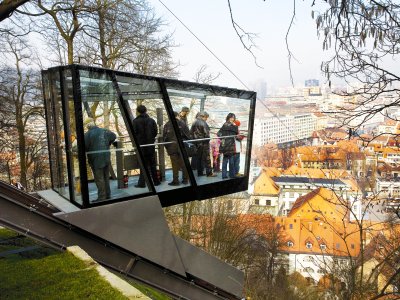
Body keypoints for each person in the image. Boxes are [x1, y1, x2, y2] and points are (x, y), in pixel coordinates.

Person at [84, 120, 117, 200]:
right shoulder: (104, 131)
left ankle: (102, 197)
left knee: (99, 179)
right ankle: (108, 195)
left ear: (87, 126)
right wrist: (108, 143)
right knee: (106, 177)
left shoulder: (87, 135)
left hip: (95, 159)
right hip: (106, 157)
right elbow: (114, 136)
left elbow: (84, 147)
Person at [132, 105, 161, 187]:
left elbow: (133, 134)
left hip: (141, 146)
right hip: (150, 145)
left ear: (138, 111)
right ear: (146, 110)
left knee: (143, 165)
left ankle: (142, 183)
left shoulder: (135, 121)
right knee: (152, 164)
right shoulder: (151, 120)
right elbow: (155, 132)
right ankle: (156, 181)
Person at [163, 111, 190, 186]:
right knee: (184, 164)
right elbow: (188, 136)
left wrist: (167, 147)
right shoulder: (182, 123)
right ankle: (185, 180)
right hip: (182, 147)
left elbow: (164, 138)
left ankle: (176, 181)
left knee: (174, 165)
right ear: (177, 115)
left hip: (172, 147)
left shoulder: (167, 125)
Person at [190, 111, 216, 177]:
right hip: (204, 143)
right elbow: (206, 134)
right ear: (203, 116)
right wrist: (207, 141)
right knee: (207, 158)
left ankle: (200, 172)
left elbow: (191, 133)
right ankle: (209, 173)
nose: (206, 119)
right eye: (206, 117)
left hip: (197, 143)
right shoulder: (203, 123)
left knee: (199, 158)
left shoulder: (194, 122)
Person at [217, 113, 239, 179]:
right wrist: (235, 125)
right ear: (229, 118)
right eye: (232, 117)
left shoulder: (224, 124)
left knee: (225, 160)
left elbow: (218, 133)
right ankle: (231, 175)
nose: (233, 119)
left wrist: (223, 139)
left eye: (233, 118)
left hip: (224, 145)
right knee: (231, 161)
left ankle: (224, 175)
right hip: (230, 145)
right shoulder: (232, 125)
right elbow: (236, 132)